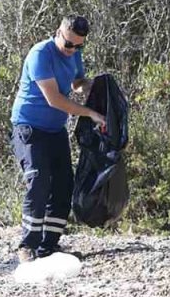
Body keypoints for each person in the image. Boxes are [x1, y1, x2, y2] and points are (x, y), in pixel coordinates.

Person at [10, 15, 107, 264]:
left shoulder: (73, 54)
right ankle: (28, 245)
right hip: (30, 127)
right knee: (39, 180)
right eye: (69, 44)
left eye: (79, 46)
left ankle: (49, 245)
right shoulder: (40, 54)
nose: (72, 50)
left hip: (55, 129)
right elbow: (54, 99)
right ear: (58, 33)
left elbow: (75, 84)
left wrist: (91, 85)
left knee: (64, 184)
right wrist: (90, 113)